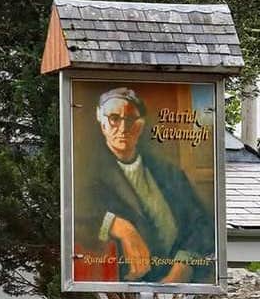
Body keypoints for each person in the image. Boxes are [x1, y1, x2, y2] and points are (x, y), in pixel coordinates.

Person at [74, 87, 214, 283]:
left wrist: (183, 266)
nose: (123, 128)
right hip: (124, 288)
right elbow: (73, 213)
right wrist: (119, 226)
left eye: (130, 119)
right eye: (114, 118)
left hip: (177, 285)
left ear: (140, 125)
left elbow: (201, 225)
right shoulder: (85, 170)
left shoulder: (168, 172)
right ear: (101, 120)